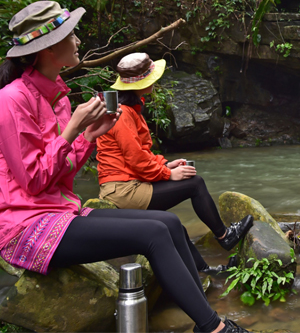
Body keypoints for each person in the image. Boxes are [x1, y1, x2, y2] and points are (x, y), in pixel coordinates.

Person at [0, 1, 251, 333]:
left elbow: (61, 175)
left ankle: (203, 311)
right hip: (25, 229)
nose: (78, 41)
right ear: (50, 49)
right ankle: (213, 329)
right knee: (152, 233)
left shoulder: (58, 98)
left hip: (58, 212)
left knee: (167, 222)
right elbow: (33, 181)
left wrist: (88, 136)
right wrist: (72, 130)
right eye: (72, 35)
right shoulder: (11, 102)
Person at [96, 52, 253, 274]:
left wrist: (166, 164)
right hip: (122, 190)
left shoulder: (131, 110)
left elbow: (140, 154)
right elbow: (136, 160)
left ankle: (205, 271)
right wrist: (168, 175)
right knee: (195, 184)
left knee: (173, 225)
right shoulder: (122, 115)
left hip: (129, 184)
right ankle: (226, 237)